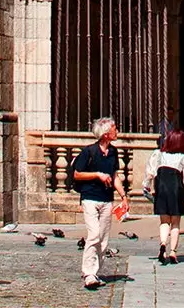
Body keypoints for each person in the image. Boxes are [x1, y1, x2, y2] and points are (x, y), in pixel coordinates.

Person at [70, 116, 120, 290]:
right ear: (106, 133)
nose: (117, 130)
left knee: (104, 238)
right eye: (114, 128)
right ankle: (88, 272)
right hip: (90, 197)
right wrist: (98, 174)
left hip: (107, 199)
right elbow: (77, 174)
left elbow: (115, 176)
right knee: (94, 234)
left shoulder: (113, 152)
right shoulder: (88, 151)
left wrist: (124, 196)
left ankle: (95, 271)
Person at [145, 128, 184, 265]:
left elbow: (150, 171)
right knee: (175, 223)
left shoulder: (158, 154)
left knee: (164, 221)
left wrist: (146, 185)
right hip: (176, 189)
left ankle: (162, 244)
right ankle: (173, 251)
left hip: (161, 188)